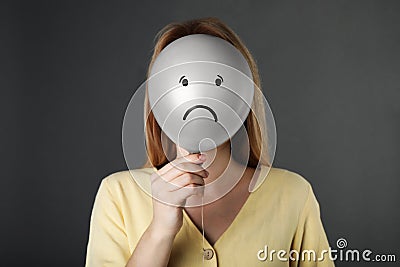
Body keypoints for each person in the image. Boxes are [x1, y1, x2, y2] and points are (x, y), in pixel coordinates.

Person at [85, 17, 335, 267]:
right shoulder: (118, 194)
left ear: (242, 95)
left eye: (217, 82)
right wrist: (159, 231)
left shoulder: (293, 194)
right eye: (182, 82)